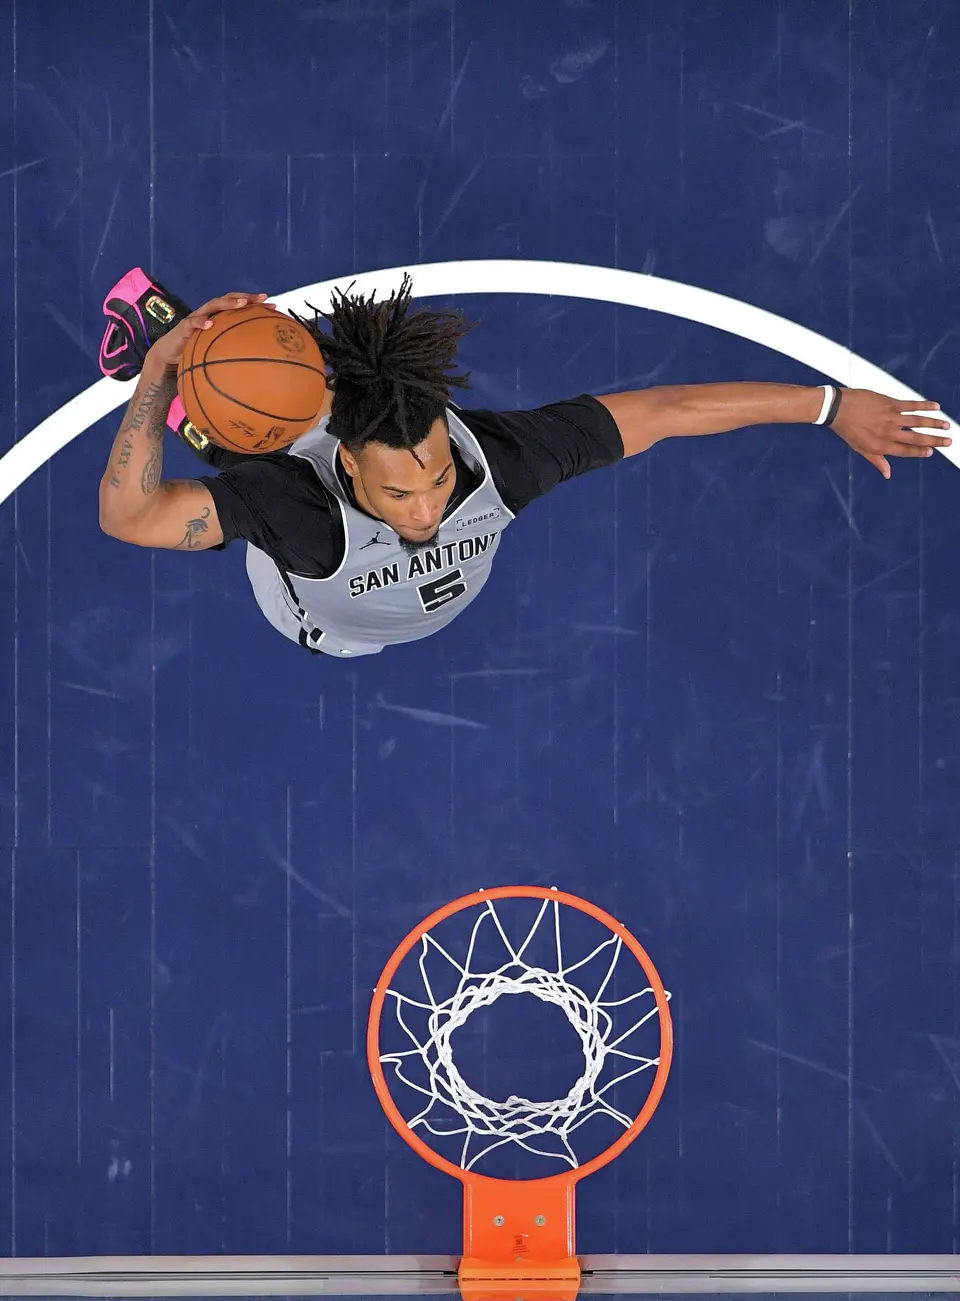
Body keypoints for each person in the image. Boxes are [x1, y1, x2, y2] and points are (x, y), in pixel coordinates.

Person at [97, 269, 952, 659]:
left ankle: (228, 398)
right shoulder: (295, 511)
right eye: (399, 489)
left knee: (326, 402)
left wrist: (834, 406)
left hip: (352, 469)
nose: (429, 507)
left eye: (434, 475)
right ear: (355, 472)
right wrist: (159, 376)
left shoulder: (498, 462)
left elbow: (665, 413)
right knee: (282, 437)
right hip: (323, 623)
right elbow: (127, 517)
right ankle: (188, 384)